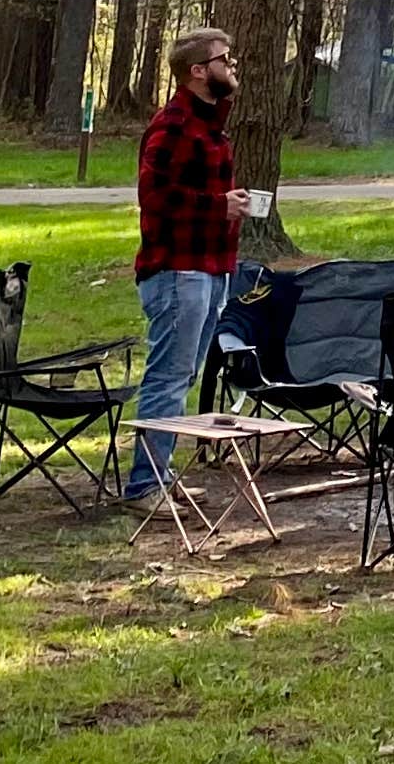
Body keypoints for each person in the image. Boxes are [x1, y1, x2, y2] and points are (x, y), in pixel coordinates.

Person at [127, 28, 259, 503]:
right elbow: (153, 197)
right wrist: (216, 206)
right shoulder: (174, 125)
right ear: (198, 71)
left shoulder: (210, 125)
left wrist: (231, 207)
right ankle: (145, 485)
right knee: (167, 376)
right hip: (178, 270)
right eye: (225, 59)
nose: (233, 66)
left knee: (182, 376)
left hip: (211, 268)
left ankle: (158, 474)